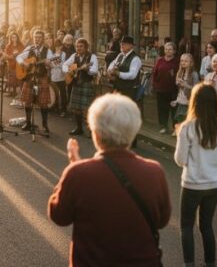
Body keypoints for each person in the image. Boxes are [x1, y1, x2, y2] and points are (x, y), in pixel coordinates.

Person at [48, 94, 171, 267]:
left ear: (96, 133)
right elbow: (162, 220)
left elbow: (59, 216)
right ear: (134, 130)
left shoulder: (78, 174)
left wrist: (72, 169)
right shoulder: (154, 172)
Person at [174, 84, 217, 267]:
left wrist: (178, 137)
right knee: (206, 226)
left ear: (194, 102)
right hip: (216, 183)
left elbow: (180, 160)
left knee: (186, 226)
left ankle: (189, 264)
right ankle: (210, 264)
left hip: (193, 183)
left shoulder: (188, 127)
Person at [17, 30, 54, 135]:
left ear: (42, 39)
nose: (37, 39)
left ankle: (44, 125)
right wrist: (24, 64)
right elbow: (18, 57)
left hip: (42, 77)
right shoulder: (29, 48)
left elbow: (53, 65)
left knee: (43, 103)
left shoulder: (48, 51)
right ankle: (28, 123)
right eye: (35, 37)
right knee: (27, 101)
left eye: (39, 37)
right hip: (30, 77)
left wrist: (49, 63)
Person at [62, 38, 99, 136]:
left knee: (88, 109)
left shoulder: (92, 57)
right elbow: (65, 64)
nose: (78, 48)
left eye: (81, 46)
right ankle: (79, 128)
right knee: (76, 108)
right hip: (76, 83)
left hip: (87, 83)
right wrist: (69, 71)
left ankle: (91, 131)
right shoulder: (74, 56)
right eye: (77, 46)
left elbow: (94, 70)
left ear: (86, 47)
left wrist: (87, 70)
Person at [151, 41, 179, 134]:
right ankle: (164, 126)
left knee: (174, 110)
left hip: (173, 90)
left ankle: (175, 128)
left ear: (174, 51)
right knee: (162, 109)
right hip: (161, 89)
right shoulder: (159, 60)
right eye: (166, 49)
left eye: (170, 49)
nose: (167, 51)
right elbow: (155, 74)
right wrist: (154, 85)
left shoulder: (177, 61)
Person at [107, 35, 143, 102]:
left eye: (124, 44)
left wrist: (118, 73)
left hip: (129, 90)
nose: (122, 45)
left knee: (126, 110)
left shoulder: (135, 59)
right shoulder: (120, 55)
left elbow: (132, 75)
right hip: (118, 88)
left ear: (131, 46)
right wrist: (110, 71)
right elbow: (112, 64)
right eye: (121, 44)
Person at [172, 53, 200, 134]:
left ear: (191, 62)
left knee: (186, 119)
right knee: (179, 118)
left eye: (186, 61)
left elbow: (197, 88)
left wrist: (186, 85)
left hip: (189, 100)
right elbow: (179, 89)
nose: (183, 63)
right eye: (182, 61)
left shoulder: (194, 74)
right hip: (181, 99)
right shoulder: (180, 72)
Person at [49, 39, 68, 116]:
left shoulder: (64, 54)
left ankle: (64, 110)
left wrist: (55, 64)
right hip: (54, 76)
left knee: (63, 94)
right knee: (55, 93)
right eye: (57, 47)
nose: (58, 48)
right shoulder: (52, 55)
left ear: (62, 46)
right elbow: (51, 65)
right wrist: (55, 64)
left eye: (60, 46)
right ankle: (56, 108)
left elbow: (63, 64)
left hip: (61, 77)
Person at [4, 32, 24, 98]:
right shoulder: (8, 46)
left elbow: (24, 53)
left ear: (17, 38)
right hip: (11, 64)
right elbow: (6, 55)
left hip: (19, 64)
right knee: (12, 79)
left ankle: (20, 93)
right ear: (10, 38)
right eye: (12, 37)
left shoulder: (21, 45)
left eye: (15, 37)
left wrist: (18, 53)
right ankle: (12, 92)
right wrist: (12, 55)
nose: (14, 39)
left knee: (19, 79)